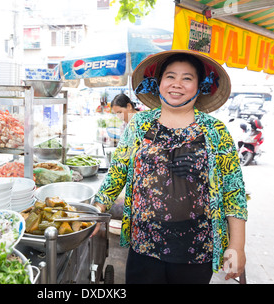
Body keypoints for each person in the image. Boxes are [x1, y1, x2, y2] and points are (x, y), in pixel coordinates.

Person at [93, 49, 247, 284]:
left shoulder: (215, 130)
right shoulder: (140, 124)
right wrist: (97, 209)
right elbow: (117, 172)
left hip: (196, 250)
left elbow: (233, 191)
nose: (177, 84)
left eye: (187, 78)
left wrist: (237, 246)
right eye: (170, 76)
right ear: (159, 83)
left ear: (200, 85)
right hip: (143, 244)